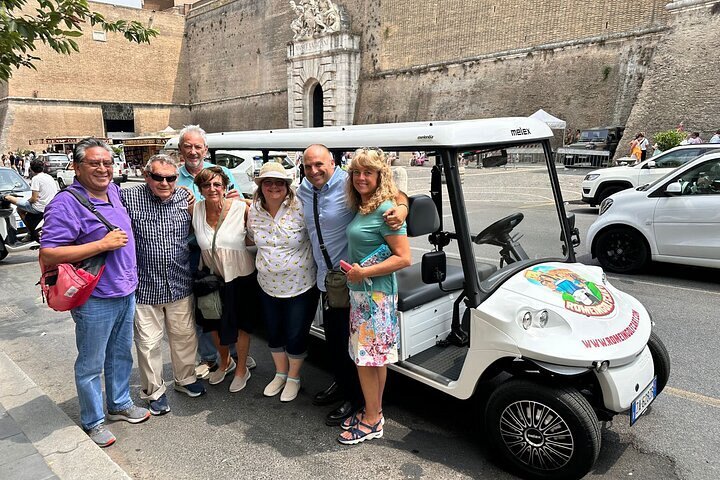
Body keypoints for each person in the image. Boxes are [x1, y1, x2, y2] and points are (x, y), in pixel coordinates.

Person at [39, 138, 149, 448]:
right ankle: (93, 420)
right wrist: (102, 244)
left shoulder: (113, 191)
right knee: (91, 363)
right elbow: (49, 252)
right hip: (94, 297)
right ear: (76, 167)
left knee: (120, 354)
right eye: (94, 163)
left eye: (107, 163)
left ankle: (119, 403)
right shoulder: (66, 203)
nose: (103, 168)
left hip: (125, 290)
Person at [296, 144, 408, 426]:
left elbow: (392, 194)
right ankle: (345, 387)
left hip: (359, 283)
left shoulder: (350, 182)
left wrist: (403, 207)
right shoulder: (306, 189)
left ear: (332, 164)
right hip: (329, 280)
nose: (314, 170)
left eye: (319, 164)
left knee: (358, 349)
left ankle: (359, 401)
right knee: (336, 341)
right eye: (308, 166)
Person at [121, 154, 206, 417]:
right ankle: (154, 392)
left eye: (171, 178)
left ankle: (185, 379)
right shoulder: (128, 197)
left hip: (180, 283)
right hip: (144, 286)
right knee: (148, 344)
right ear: (147, 176)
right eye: (158, 177)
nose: (165, 183)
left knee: (185, 336)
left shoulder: (184, 197)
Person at [338, 148, 411, 444]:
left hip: (375, 296)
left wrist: (363, 273)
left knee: (365, 361)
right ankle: (375, 412)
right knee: (376, 359)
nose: (360, 178)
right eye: (356, 172)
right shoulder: (367, 204)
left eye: (368, 172)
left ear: (380, 176)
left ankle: (371, 421)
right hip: (367, 294)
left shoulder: (385, 210)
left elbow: (404, 258)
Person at [174, 125, 251, 379]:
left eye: (198, 146)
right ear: (181, 149)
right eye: (188, 146)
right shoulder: (173, 177)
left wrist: (239, 201)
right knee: (206, 307)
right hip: (194, 251)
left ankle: (234, 355)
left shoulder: (222, 172)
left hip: (226, 249)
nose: (193, 151)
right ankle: (211, 357)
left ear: (205, 149)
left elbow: (237, 202)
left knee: (230, 308)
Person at [246, 162, 318, 402]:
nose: (274, 187)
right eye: (268, 182)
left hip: (300, 284)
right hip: (267, 285)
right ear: (261, 187)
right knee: (274, 332)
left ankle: (294, 377)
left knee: (296, 333)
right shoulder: (254, 210)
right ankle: (280, 373)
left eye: (279, 182)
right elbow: (251, 237)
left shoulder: (301, 207)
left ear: (287, 186)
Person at [192, 166, 257, 392]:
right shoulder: (195, 210)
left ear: (225, 187)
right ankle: (225, 362)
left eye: (217, 184)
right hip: (212, 278)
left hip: (240, 277)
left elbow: (256, 234)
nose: (212, 189)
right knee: (214, 323)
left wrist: (250, 202)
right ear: (200, 189)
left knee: (240, 326)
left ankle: (242, 369)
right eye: (206, 185)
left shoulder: (241, 208)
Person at [0, 158, 58, 241]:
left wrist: (28, 201)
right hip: (51, 206)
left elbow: (34, 199)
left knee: (16, 206)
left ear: (31, 169)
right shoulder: (49, 177)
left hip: (39, 208)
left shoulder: (36, 179)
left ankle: (30, 232)